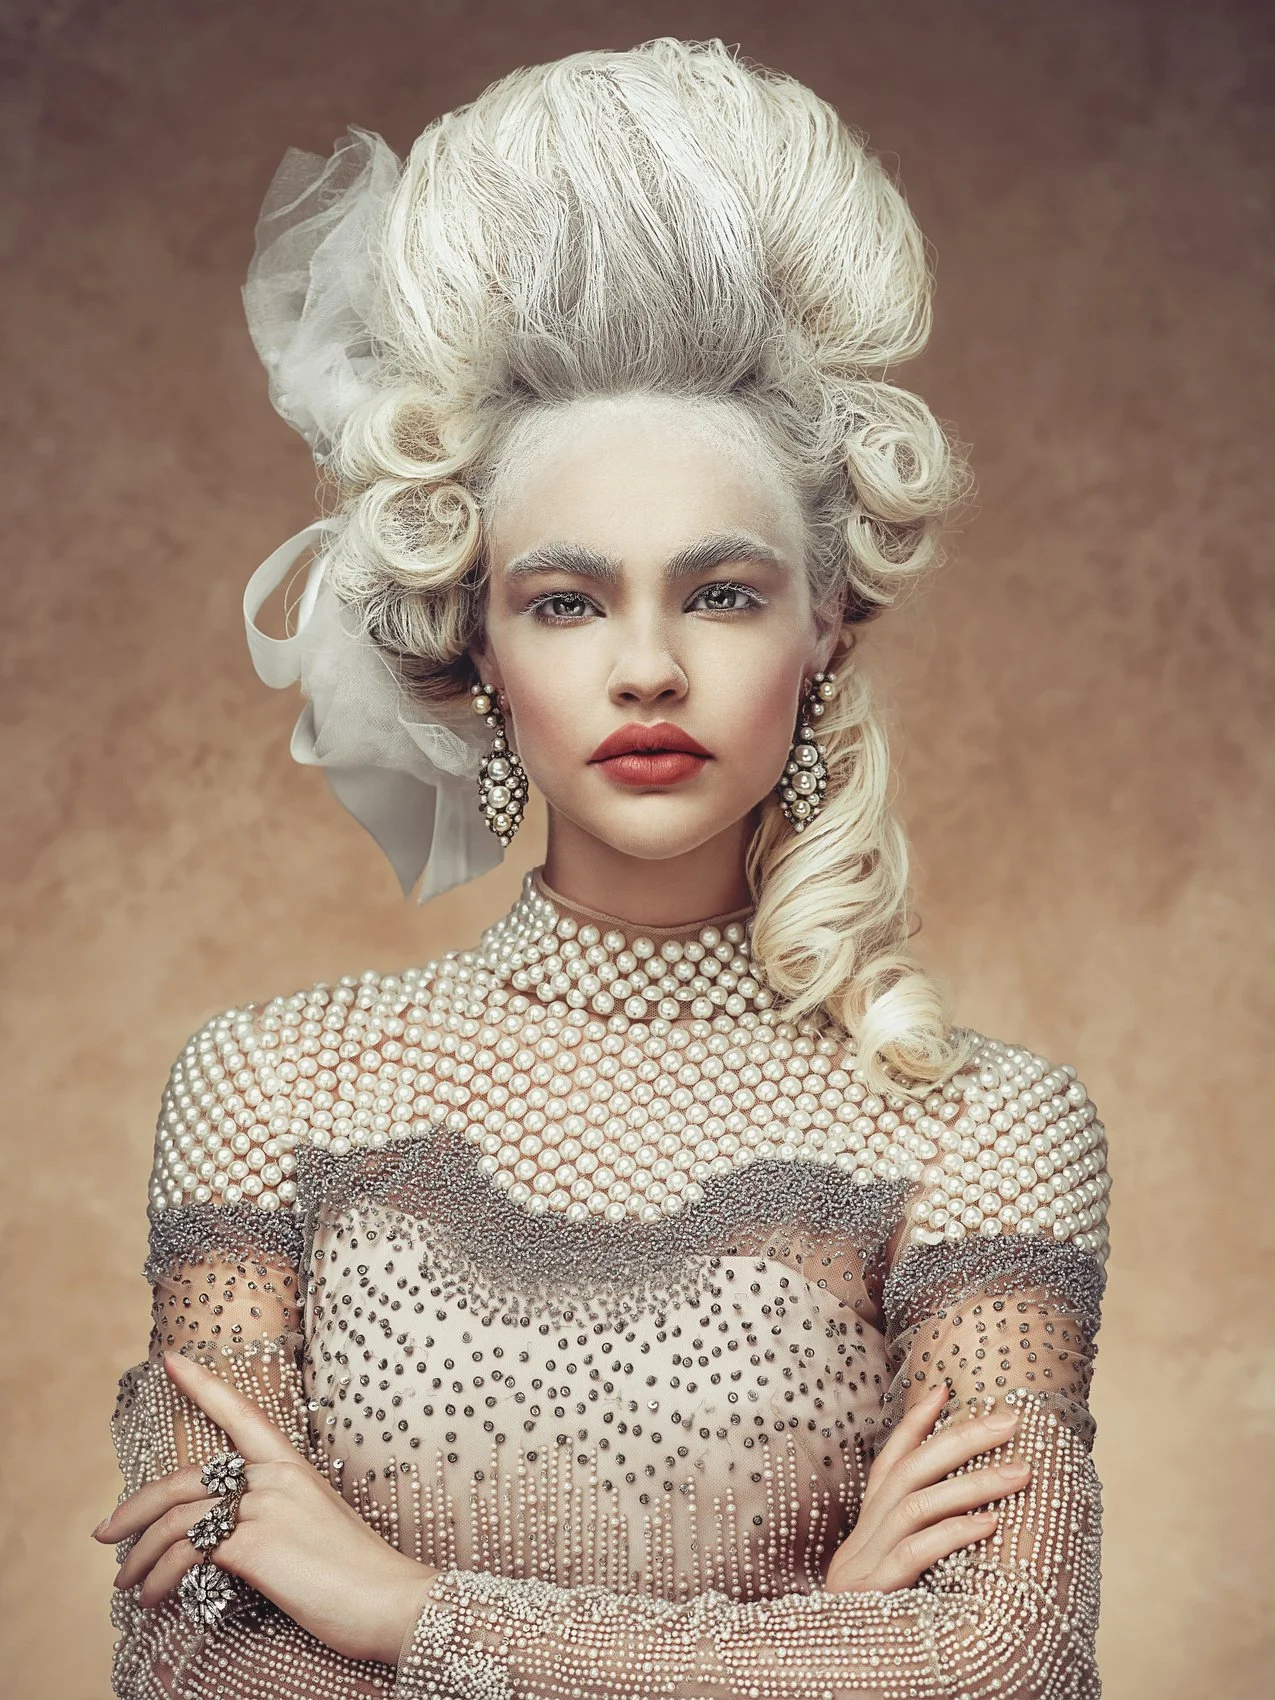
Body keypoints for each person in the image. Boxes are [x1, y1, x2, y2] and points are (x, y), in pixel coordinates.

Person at [94, 37, 1111, 1699]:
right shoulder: (265, 1090)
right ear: (478, 647)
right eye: (567, 602)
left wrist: (402, 1611)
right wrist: (815, 1654)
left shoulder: (984, 1128)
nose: (646, 668)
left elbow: (994, 1664)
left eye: (719, 593)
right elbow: (206, 1676)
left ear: (826, 624)